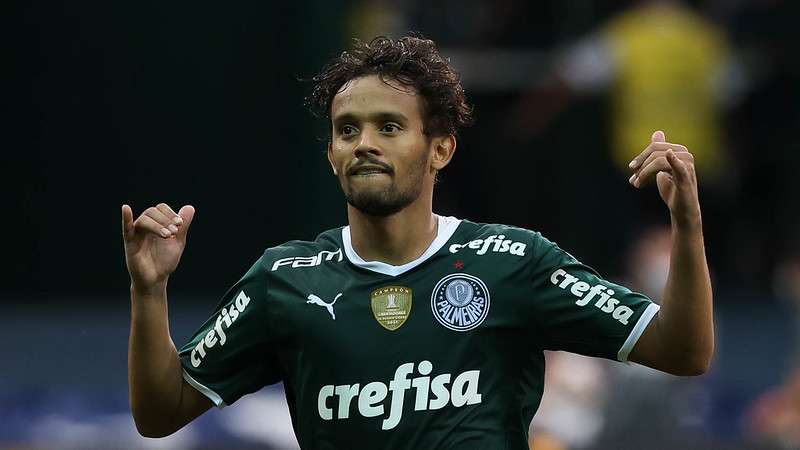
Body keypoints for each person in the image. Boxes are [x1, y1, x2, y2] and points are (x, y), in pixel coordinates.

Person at [122, 36, 713, 449]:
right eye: (347, 130)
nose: (364, 144)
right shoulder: (286, 280)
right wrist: (149, 292)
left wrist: (686, 227)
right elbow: (160, 413)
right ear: (330, 155)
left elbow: (683, 351)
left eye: (389, 126)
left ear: (440, 149)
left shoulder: (512, 264)